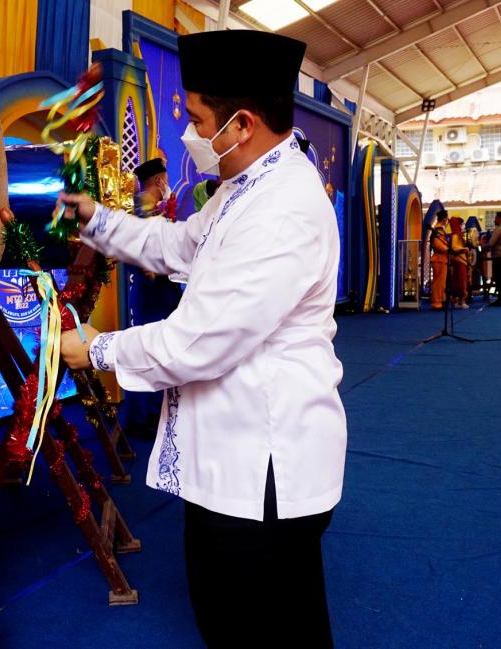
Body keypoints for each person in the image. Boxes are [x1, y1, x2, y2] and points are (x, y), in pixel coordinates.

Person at [58, 30, 345, 648]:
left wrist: (99, 349)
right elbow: (175, 244)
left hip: (266, 464)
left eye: (196, 119)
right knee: (238, 616)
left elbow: (202, 340)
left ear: (241, 125)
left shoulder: (284, 207)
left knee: (258, 627)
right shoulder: (245, 190)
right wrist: (97, 221)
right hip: (235, 455)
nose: (189, 134)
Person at [125, 157, 183, 438]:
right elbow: (148, 265)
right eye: (165, 180)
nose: (167, 185)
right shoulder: (142, 211)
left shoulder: (149, 209)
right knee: (149, 351)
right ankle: (142, 417)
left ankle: (151, 413)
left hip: (159, 293)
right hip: (152, 294)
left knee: (157, 350)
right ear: (159, 181)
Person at [429, 210, 449, 309]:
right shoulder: (438, 230)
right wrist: (448, 249)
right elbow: (438, 245)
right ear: (444, 219)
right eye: (447, 218)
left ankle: (440, 300)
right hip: (439, 258)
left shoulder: (438, 230)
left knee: (440, 282)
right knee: (438, 282)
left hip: (441, 258)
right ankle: (437, 303)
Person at [448, 215, 469, 308]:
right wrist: (464, 249)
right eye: (461, 224)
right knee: (461, 281)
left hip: (459, 260)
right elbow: (454, 247)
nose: (463, 226)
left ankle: (457, 300)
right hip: (459, 260)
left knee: (458, 281)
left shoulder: (457, 234)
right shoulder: (456, 235)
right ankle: (461, 301)